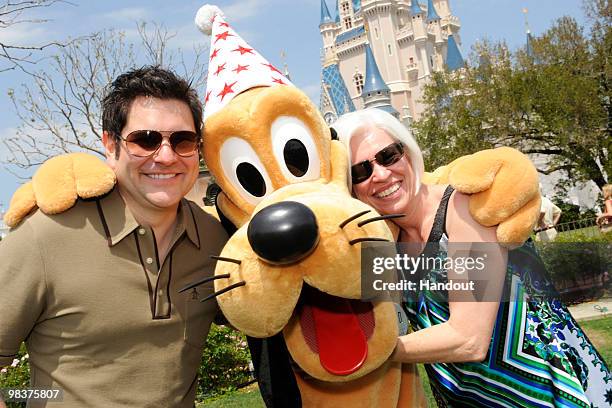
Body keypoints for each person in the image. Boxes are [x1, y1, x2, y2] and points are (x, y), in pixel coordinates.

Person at [333, 108, 611, 407]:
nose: (381, 174)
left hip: (546, 390)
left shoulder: (464, 206)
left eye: (388, 156)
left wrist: (365, 356)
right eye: (361, 172)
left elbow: (469, 339)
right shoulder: (384, 242)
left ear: (408, 152)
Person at [0, 66, 228, 407]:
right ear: (111, 145)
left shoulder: (215, 240)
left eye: (182, 140)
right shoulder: (45, 235)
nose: (165, 157)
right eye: (145, 140)